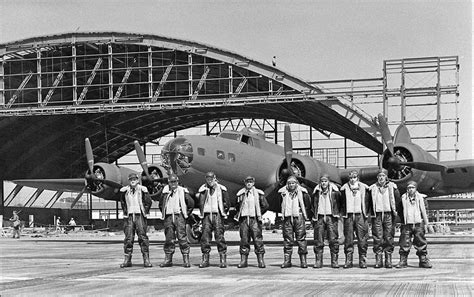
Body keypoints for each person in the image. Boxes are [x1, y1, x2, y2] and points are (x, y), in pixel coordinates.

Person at [158, 174, 194, 268]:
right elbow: (161, 204)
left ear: (177, 182)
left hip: (179, 216)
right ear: (168, 182)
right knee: (169, 239)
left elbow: (190, 203)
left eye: (175, 182)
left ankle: (186, 259)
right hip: (169, 217)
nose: (173, 184)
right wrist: (165, 213)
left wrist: (185, 214)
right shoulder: (165, 192)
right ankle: (168, 259)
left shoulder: (183, 191)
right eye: (171, 182)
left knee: (182, 238)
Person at [119, 172, 153, 268]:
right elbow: (122, 202)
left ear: (138, 180)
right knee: (128, 239)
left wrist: (145, 212)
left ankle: (146, 259)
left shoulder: (143, 190)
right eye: (131, 179)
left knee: (143, 237)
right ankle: (127, 260)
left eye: (134, 179)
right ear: (129, 181)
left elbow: (148, 202)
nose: (133, 181)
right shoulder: (125, 191)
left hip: (140, 215)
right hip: (129, 216)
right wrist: (125, 212)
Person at [395, 181, 432, 268]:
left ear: (416, 189)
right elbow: (400, 210)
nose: (410, 190)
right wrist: (403, 220)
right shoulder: (403, 198)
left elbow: (425, 210)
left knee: (421, 242)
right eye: (409, 188)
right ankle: (403, 260)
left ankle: (423, 260)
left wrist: (425, 223)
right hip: (407, 223)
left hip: (418, 223)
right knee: (404, 242)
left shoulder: (422, 198)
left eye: (412, 188)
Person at [197, 171, 230, 268]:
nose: (210, 181)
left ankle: (223, 259)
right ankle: (205, 259)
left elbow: (227, 202)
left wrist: (223, 211)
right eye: (208, 179)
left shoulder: (221, 189)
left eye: (211, 179)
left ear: (215, 178)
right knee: (205, 238)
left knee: (219, 237)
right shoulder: (203, 189)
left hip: (217, 215)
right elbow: (200, 202)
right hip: (207, 215)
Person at [235, 176, 269, 268]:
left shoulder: (259, 193)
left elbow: (265, 206)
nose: (249, 183)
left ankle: (260, 261)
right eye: (247, 182)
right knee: (244, 240)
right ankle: (243, 260)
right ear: (245, 183)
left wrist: (258, 214)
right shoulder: (240, 194)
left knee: (258, 240)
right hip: (244, 219)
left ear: (253, 183)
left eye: (250, 182)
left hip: (255, 219)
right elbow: (237, 206)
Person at [369, 169, 400, 268]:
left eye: (383, 176)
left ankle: (388, 259)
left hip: (388, 214)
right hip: (377, 214)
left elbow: (397, 199)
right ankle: (378, 259)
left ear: (386, 177)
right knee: (377, 236)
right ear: (377, 177)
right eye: (379, 176)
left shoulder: (392, 187)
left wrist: (395, 211)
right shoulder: (373, 188)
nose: (381, 178)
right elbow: (368, 201)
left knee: (389, 236)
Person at [278, 175, 311, 268]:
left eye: (293, 183)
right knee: (287, 240)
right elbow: (280, 203)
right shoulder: (283, 193)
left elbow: (307, 204)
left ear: (296, 184)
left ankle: (303, 261)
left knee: (301, 239)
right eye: (289, 183)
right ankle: (287, 261)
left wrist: (303, 214)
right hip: (287, 218)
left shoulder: (303, 192)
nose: (291, 185)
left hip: (298, 217)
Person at [340, 170, 370, 269]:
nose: (352, 180)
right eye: (351, 178)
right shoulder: (343, 189)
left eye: (354, 177)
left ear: (357, 178)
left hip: (360, 215)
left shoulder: (364, 188)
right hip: (348, 215)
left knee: (362, 238)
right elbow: (341, 202)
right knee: (348, 239)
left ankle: (362, 260)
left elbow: (368, 201)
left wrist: (366, 213)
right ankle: (349, 260)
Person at [311, 174, 341, 269]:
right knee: (318, 240)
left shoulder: (335, 192)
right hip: (319, 217)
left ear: (329, 182)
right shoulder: (316, 192)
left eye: (325, 181)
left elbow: (340, 202)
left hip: (331, 216)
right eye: (322, 181)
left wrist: (337, 213)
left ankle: (334, 261)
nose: (324, 183)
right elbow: (312, 204)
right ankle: (318, 260)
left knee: (333, 239)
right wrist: (313, 216)